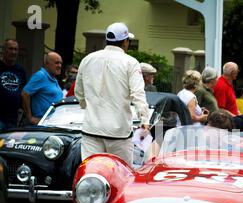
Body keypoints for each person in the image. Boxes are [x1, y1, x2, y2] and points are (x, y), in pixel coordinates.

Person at [75, 22, 150, 165]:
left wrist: (89, 107)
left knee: (91, 173)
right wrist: (144, 120)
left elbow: (79, 92)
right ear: (125, 42)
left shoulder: (88, 59)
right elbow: (138, 95)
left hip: (91, 129)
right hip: (119, 132)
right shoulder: (131, 62)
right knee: (121, 176)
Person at [22, 52, 63, 125]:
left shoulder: (53, 79)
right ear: (47, 63)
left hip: (52, 123)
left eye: (60, 63)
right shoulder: (41, 75)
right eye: (57, 63)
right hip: (41, 125)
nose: (59, 66)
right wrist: (30, 117)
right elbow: (25, 93)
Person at [0, 39, 27, 129]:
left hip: (13, 119)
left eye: (16, 49)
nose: (13, 52)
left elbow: (23, 92)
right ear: (3, 50)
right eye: (10, 49)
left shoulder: (20, 70)